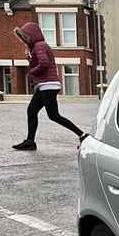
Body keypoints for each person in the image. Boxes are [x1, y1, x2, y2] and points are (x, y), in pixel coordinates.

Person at [11, 22, 87, 151]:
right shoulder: (37, 47)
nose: (24, 40)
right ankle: (30, 141)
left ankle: (83, 135)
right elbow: (40, 63)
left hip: (48, 85)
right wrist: (30, 58)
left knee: (53, 115)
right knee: (32, 111)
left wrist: (32, 71)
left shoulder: (40, 46)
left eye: (26, 37)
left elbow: (44, 64)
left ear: (32, 35)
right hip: (45, 85)